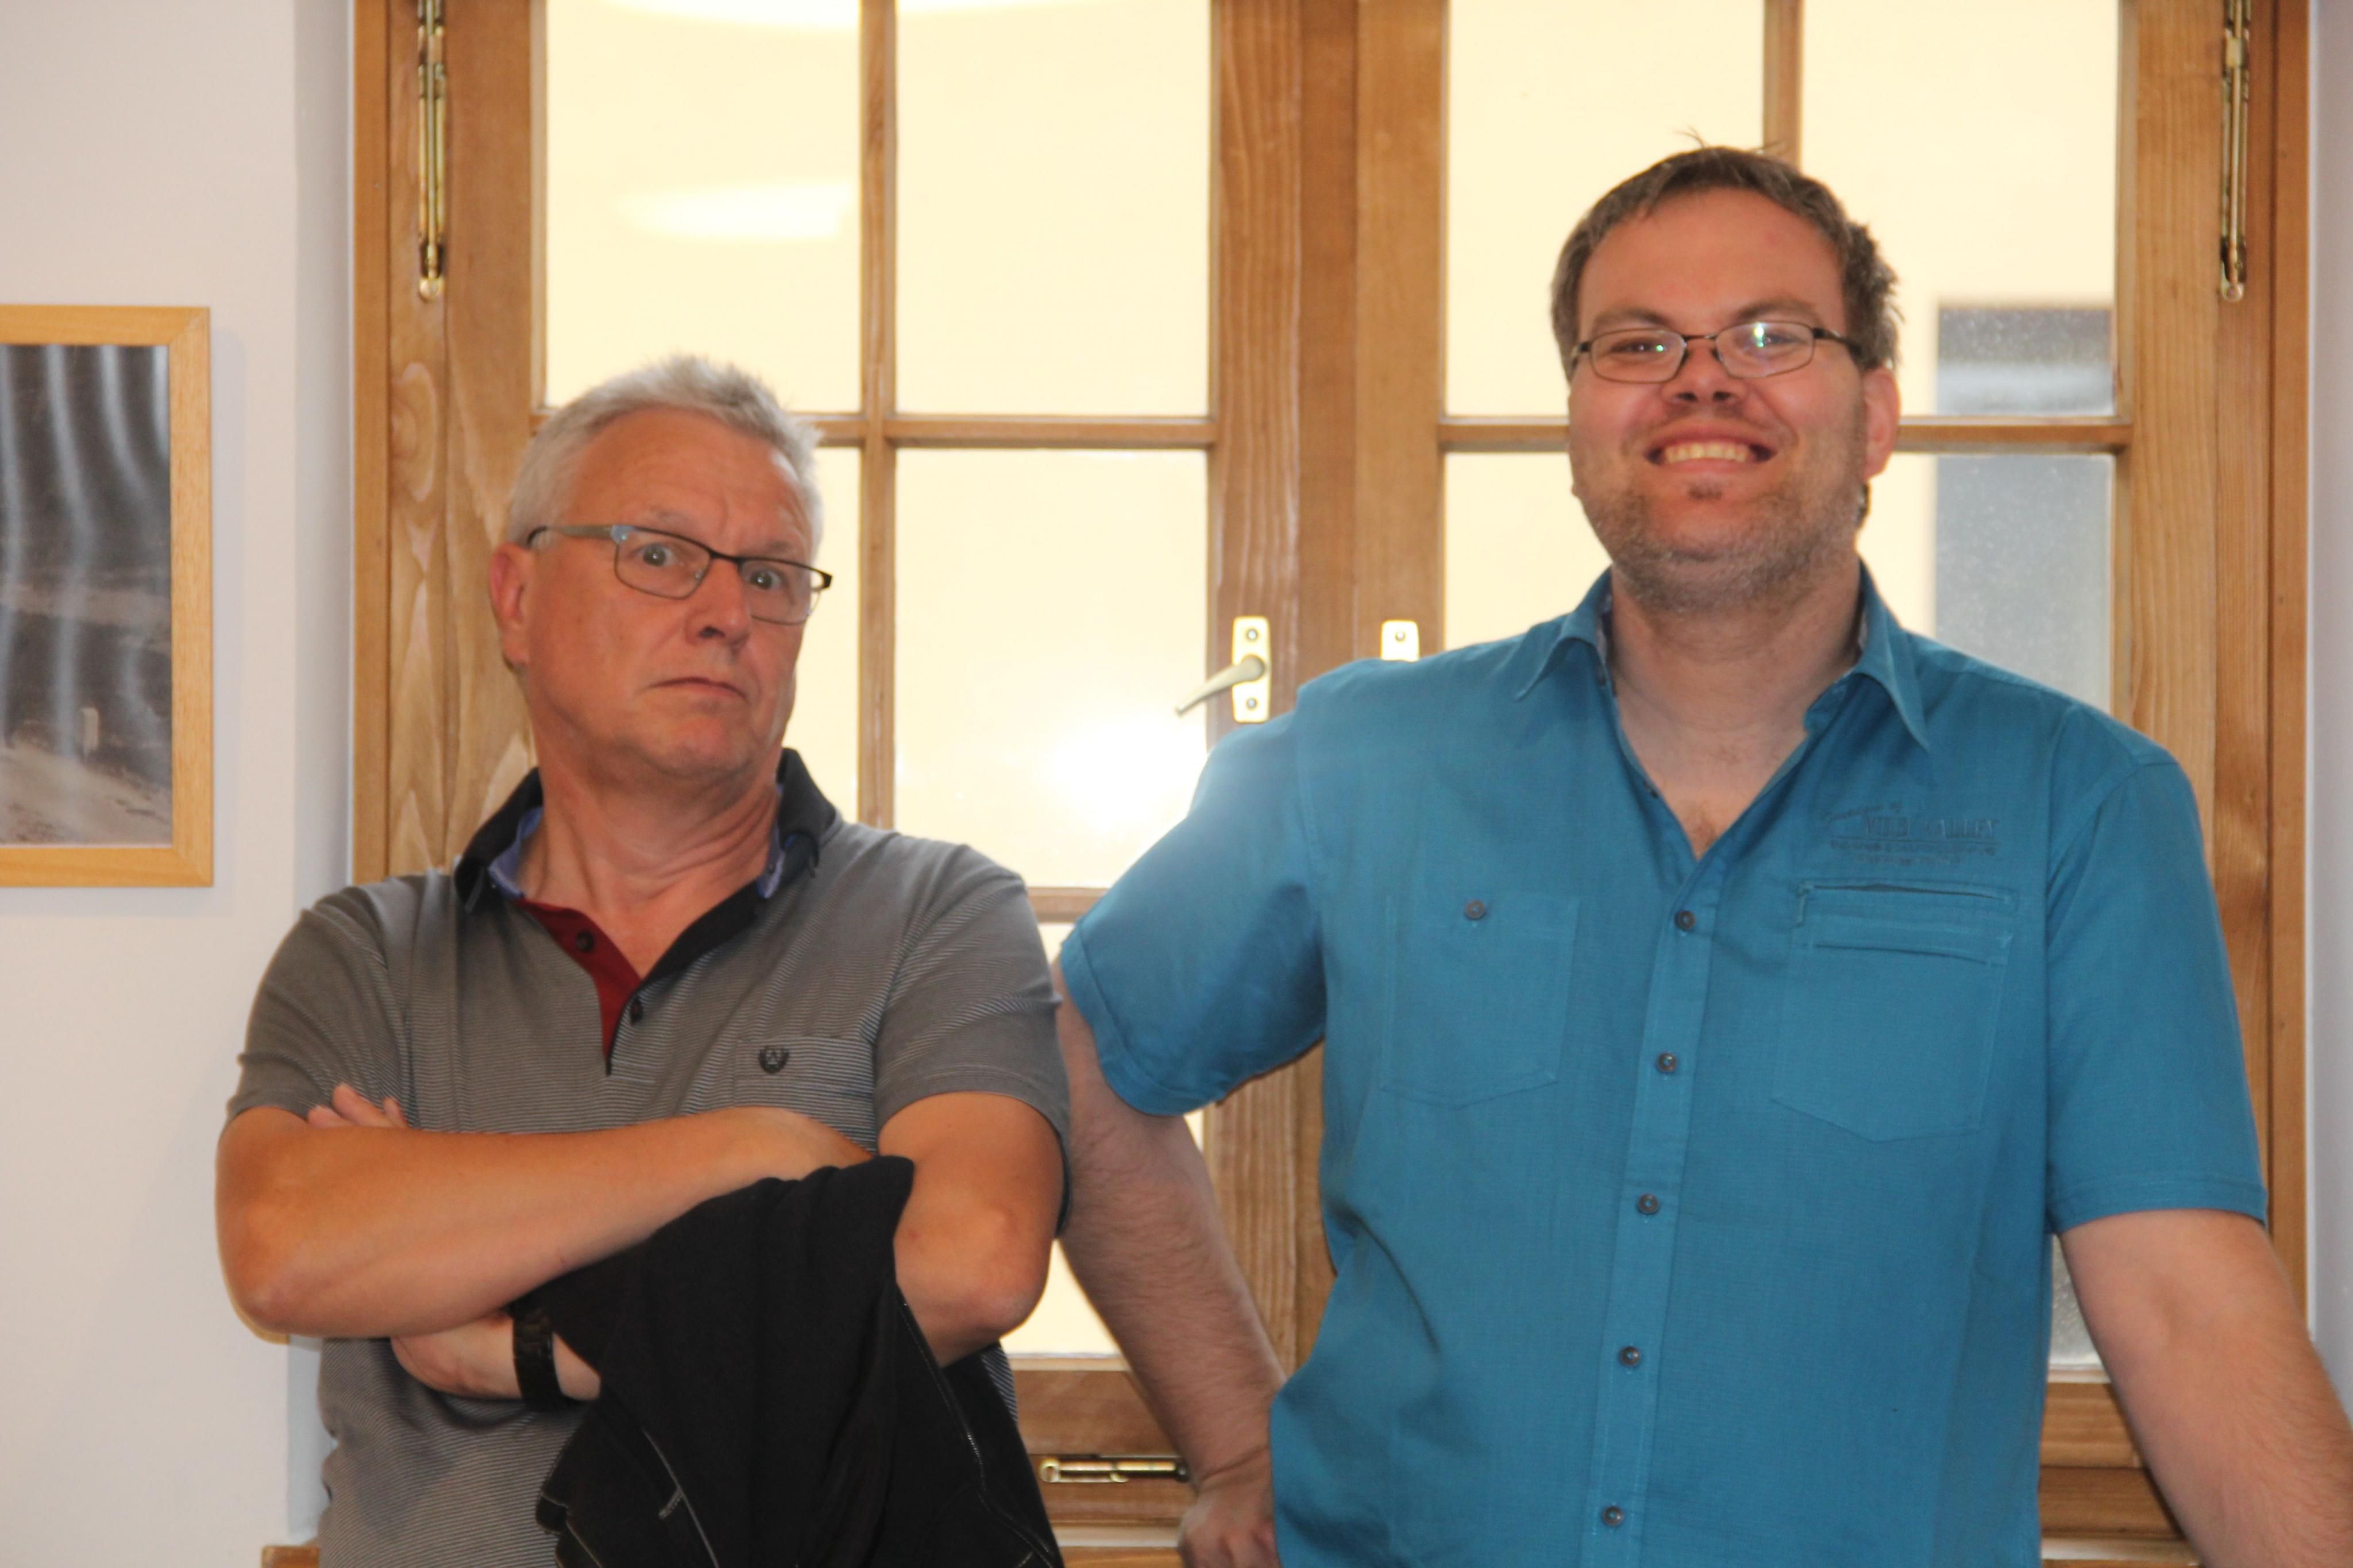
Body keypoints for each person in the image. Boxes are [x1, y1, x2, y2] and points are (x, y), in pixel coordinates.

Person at [1052, 148, 2353, 1567]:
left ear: (1873, 416)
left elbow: (2183, 1306)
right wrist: (1237, 1443)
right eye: (1636, 344)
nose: (1699, 383)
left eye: (1768, 336)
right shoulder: (1361, 760)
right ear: (1576, 421)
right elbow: (1082, 1056)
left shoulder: (2078, 805)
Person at [215, 356, 1068, 1567]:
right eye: (659, 553)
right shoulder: (371, 953)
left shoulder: (937, 912)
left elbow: (970, 1258)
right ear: (515, 599)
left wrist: (527, 1343)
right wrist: (754, 1150)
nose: (726, 613)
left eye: (770, 575)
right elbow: (287, 1246)